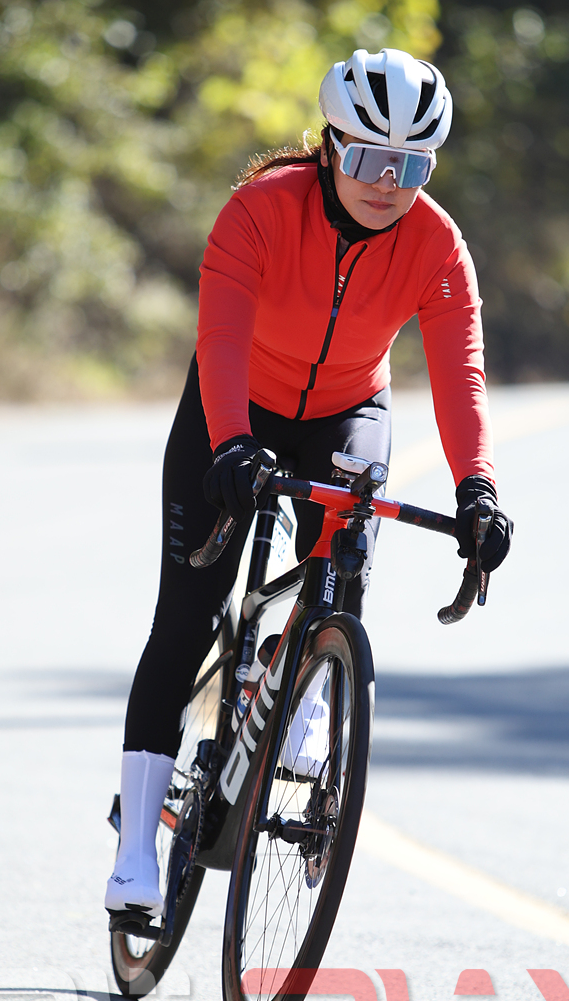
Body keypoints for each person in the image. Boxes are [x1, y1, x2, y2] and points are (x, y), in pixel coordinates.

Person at [107, 47, 515, 916]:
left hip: (346, 408)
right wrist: (231, 444)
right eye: (368, 158)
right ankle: (136, 849)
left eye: (411, 166)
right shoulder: (260, 209)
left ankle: (307, 677)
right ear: (330, 146)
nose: (387, 184)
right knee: (185, 615)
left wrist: (477, 488)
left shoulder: (438, 245)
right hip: (234, 406)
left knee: (345, 552)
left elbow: (461, 377)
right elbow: (220, 339)